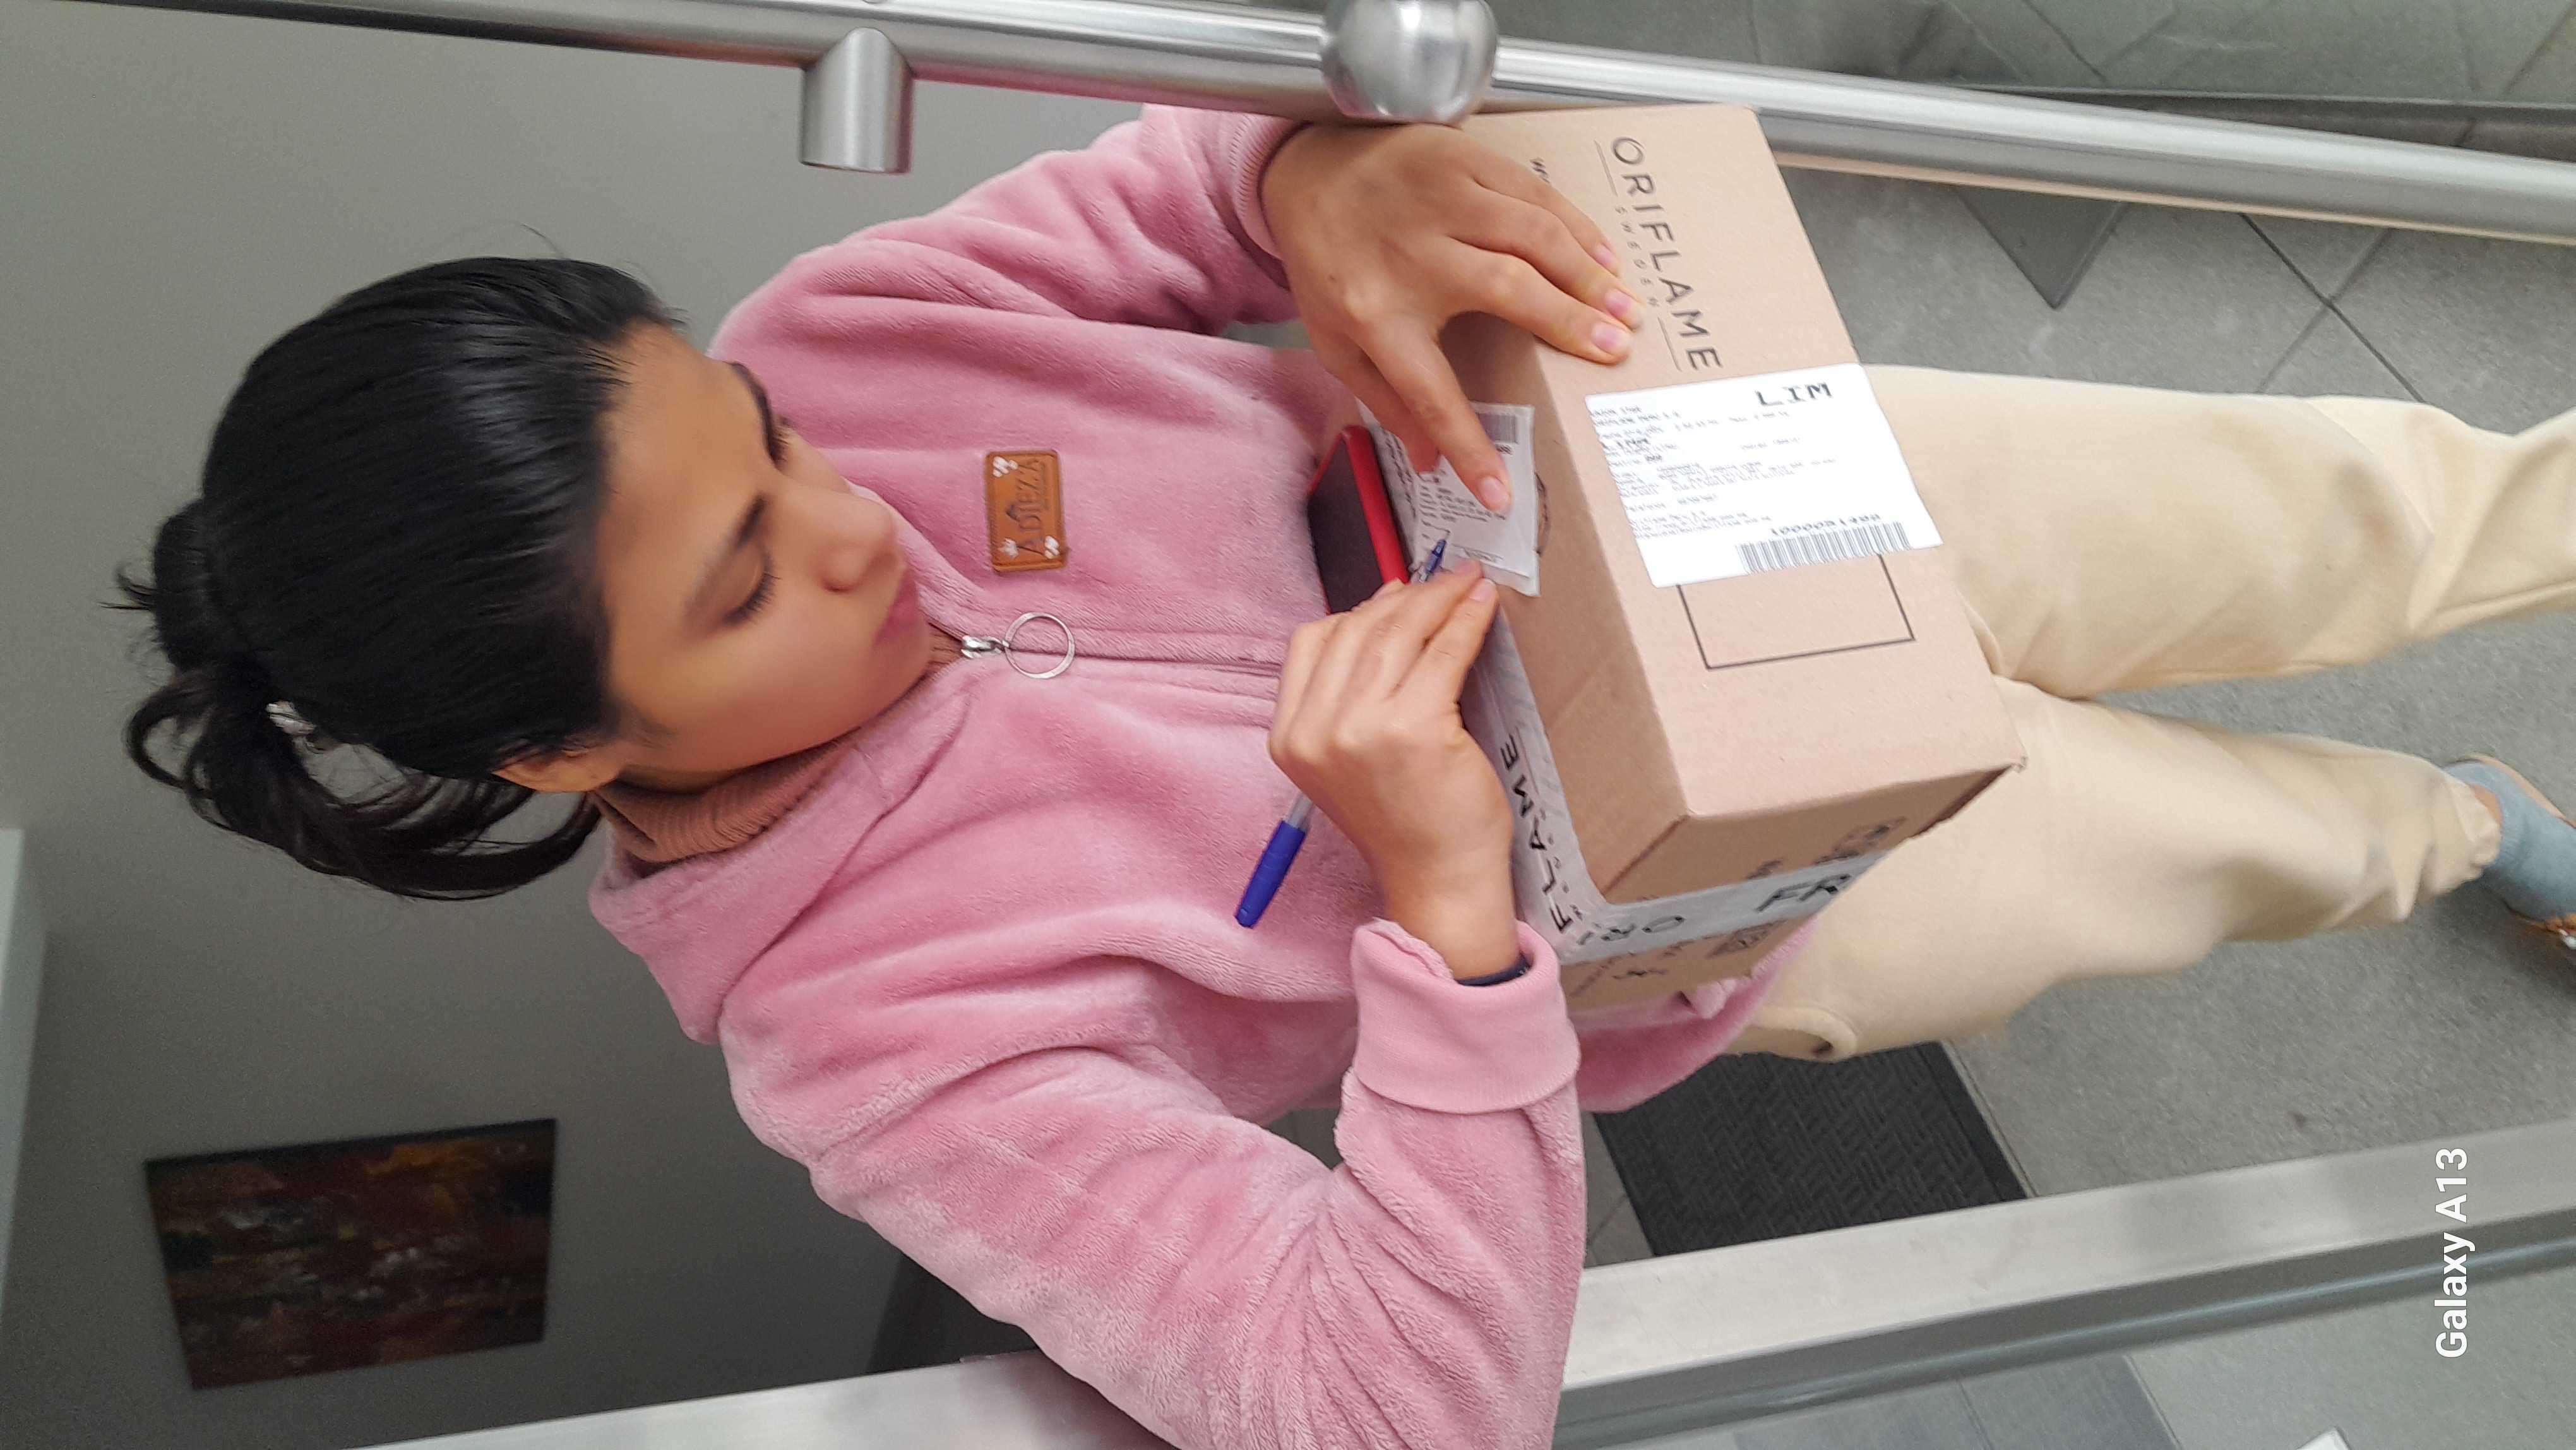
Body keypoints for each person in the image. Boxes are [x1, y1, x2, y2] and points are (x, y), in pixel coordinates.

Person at [115, 107, 2575, 1449]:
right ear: (567, 747)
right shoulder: (870, 1054)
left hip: (1690, 497)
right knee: (2269, 850)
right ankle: (2477, 829)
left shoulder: (843, 335)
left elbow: (1191, 189)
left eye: (763, 435)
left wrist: (1311, 189)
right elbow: (1388, 1405)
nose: (854, 518)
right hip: (1748, 905)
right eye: (748, 579)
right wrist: (1449, 931)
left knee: (2346, 506)